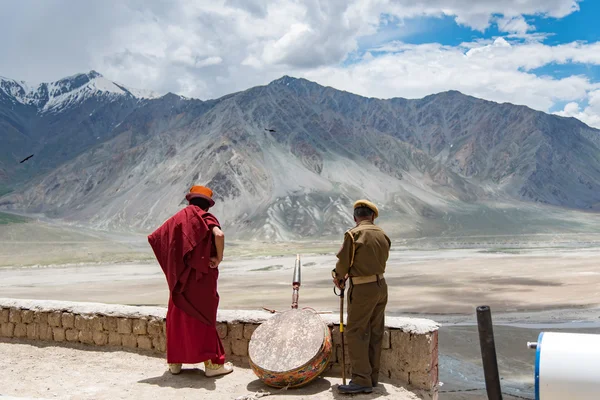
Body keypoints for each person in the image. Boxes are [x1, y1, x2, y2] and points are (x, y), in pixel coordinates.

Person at [148, 185, 233, 377]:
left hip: (180, 279)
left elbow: (157, 238)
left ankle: (175, 364)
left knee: (178, 317)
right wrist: (219, 258)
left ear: (190, 200)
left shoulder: (178, 219)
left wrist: (174, 265)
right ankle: (212, 365)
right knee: (204, 318)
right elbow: (219, 235)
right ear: (208, 206)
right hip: (201, 278)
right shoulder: (205, 217)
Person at [332, 199, 391, 394]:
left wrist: (338, 277)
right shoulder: (383, 235)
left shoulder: (353, 234)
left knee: (356, 332)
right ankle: (372, 377)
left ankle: (361, 379)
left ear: (355, 217)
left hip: (363, 288)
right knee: (375, 331)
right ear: (372, 216)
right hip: (381, 286)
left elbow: (343, 263)